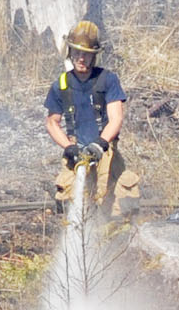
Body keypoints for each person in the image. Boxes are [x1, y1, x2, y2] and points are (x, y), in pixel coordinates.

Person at [45, 20, 128, 226]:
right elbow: (52, 122)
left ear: (94, 56)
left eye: (87, 54)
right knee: (68, 197)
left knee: (111, 199)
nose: (81, 58)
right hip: (76, 149)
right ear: (70, 52)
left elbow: (116, 117)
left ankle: (110, 237)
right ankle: (78, 234)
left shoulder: (107, 80)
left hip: (104, 149)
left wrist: (100, 144)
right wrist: (68, 147)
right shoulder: (61, 85)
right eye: (77, 52)